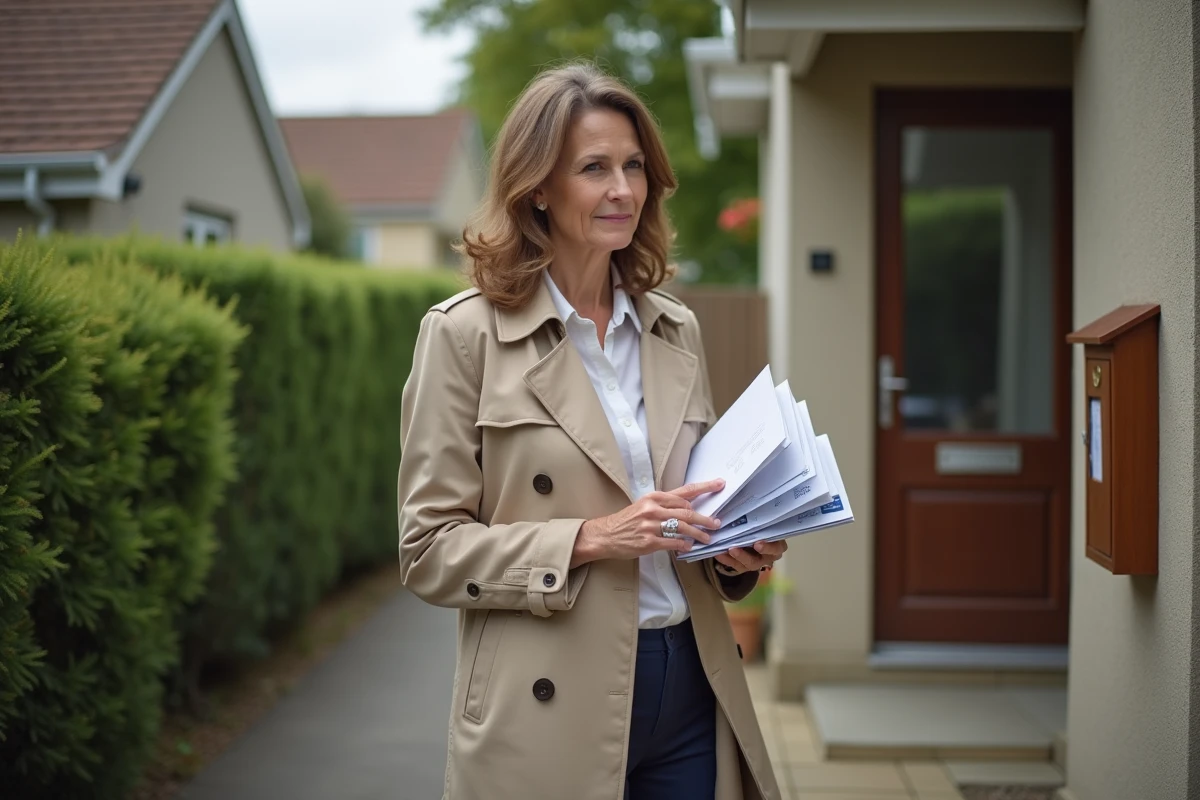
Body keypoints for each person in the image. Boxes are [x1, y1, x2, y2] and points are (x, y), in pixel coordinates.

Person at [397, 62, 786, 800]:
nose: (623, 190)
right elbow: (427, 552)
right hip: (547, 698)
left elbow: (685, 518)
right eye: (595, 168)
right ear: (537, 186)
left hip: (692, 683)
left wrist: (738, 550)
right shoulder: (464, 335)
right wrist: (589, 537)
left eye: (635, 166)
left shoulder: (676, 328)